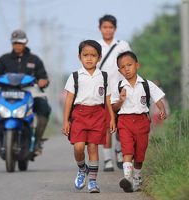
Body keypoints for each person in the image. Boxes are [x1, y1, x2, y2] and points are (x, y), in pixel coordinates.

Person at [62, 40, 116, 193]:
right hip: (79, 115)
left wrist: (111, 118)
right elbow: (69, 99)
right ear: (79, 57)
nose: (89, 58)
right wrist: (66, 120)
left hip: (98, 115)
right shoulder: (75, 76)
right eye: (85, 55)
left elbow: (108, 99)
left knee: (93, 147)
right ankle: (81, 169)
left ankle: (92, 181)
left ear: (99, 58)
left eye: (93, 55)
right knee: (79, 147)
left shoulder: (104, 77)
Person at [111, 51, 167, 192]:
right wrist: (121, 100)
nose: (127, 69)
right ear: (119, 70)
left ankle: (137, 177)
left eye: (129, 65)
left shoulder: (146, 84)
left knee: (140, 152)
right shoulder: (118, 87)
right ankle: (127, 178)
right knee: (127, 149)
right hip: (124, 121)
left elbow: (158, 98)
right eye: (123, 67)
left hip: (142, 121)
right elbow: (113, 107)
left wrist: (162, 109)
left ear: (137, 65)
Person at [0, 29, 51, 155]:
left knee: (44, 108)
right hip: (6, 93)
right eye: (15, 43)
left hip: (29, 93)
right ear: (12, 44)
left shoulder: (34, 60)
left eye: (20, 42)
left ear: (26, 42)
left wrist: (43, 81)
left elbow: (43, 76)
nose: (18, 45)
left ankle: (37, 141)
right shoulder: (4, 59)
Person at [98, 14, 131, 171]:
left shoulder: (122, 45)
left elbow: (129, 65)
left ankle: (119, 150)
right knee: (106, 126)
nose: (108, 30)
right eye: (105, 27)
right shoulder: (95, 46)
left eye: (111, 27)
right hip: (103, 92)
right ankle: (107, 159)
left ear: (115, 29)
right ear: (100, 29)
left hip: (121, 90)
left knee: (121, 124)